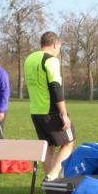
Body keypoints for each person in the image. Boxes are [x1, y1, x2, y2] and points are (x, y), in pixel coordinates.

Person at [24, 31, 75, 181]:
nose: (59, 50)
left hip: (35, 111)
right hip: (51, 111)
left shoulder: (29, 59)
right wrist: (64, 114)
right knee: (69, 142)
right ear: (54, 44)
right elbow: (55, 88)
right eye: (59, 47)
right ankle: (52, 177)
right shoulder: (51, 60)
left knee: (48, 147)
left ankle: (49, 181)